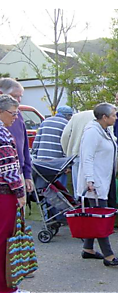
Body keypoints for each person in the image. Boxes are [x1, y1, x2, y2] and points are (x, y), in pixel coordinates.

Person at [76, 103, 118, 267]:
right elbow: (86, 157)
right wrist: (89, 180)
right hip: (95, 182)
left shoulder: (106, 130)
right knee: (100, 217)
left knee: (95, 215)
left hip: (105, 178)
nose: (116, 118)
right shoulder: (92, 132)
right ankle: (108, 255)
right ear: (104, 117)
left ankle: (88, 248)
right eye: (113, 115)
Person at [0, 94, 27, 293]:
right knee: (5, 240)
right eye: (13, 113)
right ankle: (6, 287)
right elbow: (9, 169)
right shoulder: (2, 133)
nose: (15, 118)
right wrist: (20, 193)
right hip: (5, 194)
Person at [0, 78, 33, 196]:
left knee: (17, 212)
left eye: (20, 97)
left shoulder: (17, 115)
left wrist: (27, 174)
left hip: (18, 174)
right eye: (15, 96)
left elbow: (24, 147)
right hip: (4, 179)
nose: (18, 101)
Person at [32, 105, 73, 187]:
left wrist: (35, 157)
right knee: (58, 188)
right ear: (68, 115)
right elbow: (66, 145)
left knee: (43, 187)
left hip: (41, 161)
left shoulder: (45, 122)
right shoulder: (66, 124)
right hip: (57, 163)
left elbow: (36, 141)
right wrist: (67, 164)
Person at [61, 110, 95, 200]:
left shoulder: (76, 117)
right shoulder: (103, 116)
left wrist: (68, 153)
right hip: (94, 157)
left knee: (78, 190)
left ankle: (80, 209)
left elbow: (65, 136)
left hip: (76, 154)